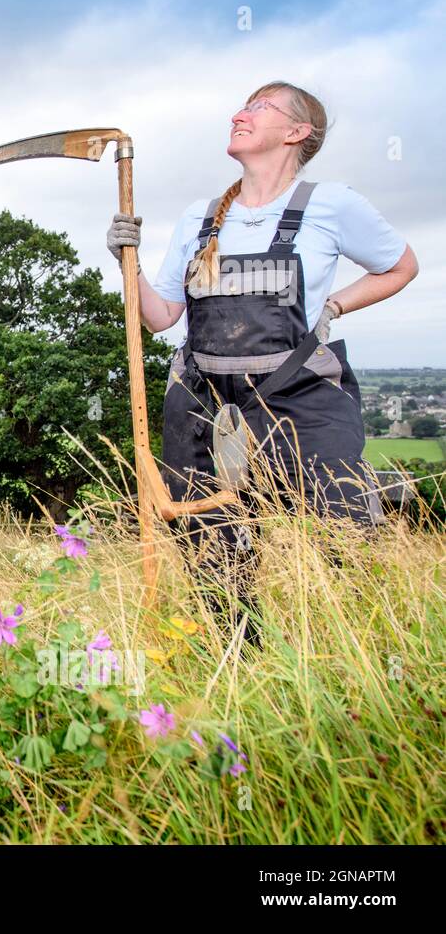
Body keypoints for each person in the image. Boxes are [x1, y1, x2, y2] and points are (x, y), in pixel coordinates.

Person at [106, 81, 418, 643]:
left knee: (339, 529)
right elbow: (161, 317)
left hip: (298, 392)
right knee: (208, 544)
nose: (239, 115)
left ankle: (341, 658)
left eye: (258, 108)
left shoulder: (331, 204)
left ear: (297, 132)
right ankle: (240, 659)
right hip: (204, 399)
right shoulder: (200, 219)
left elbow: (401, 266)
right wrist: (127, 261)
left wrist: (337, 303)